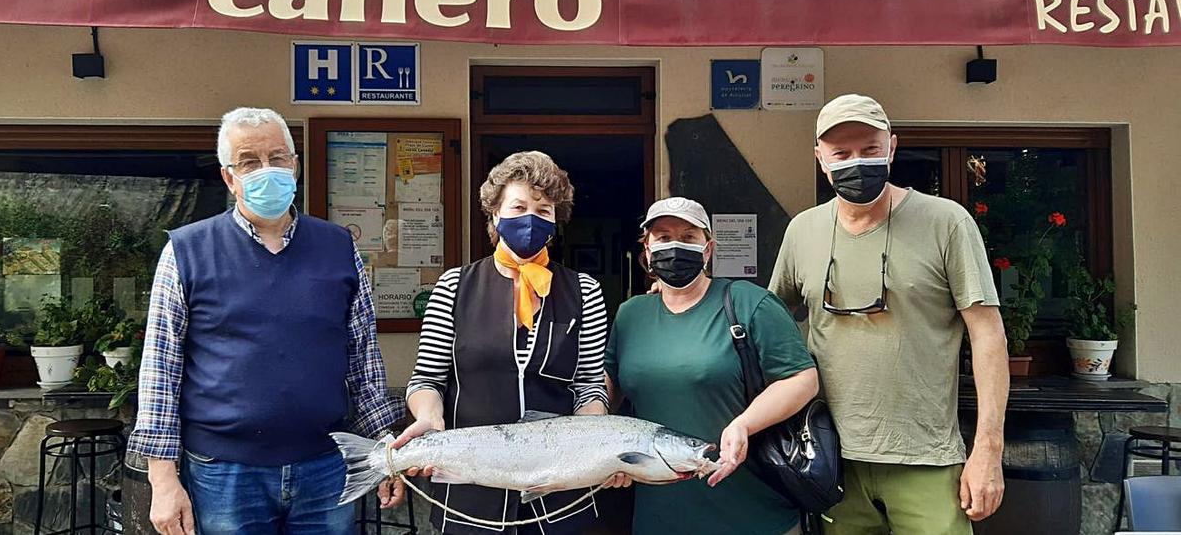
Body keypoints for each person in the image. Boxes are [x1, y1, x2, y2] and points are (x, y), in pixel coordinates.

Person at [127, 107, 401, 535]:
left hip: (325, 467)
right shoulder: (186, 252)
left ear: (295, 166)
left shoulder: (338, 247)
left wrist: (385, 454)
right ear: (229, 177)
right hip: (224, 474)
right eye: (250, 161)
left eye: (277, 157)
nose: (266, 170)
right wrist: (162, 478)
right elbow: (160, 370)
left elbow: (363, 358)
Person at [769, 94, 1009, 534]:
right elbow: (770, 322)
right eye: (841, 153)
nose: (855, 162)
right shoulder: (802, 230)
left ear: (892, 148)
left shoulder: (946, 222)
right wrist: (684, 293)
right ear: (821, 158)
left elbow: (988, 335)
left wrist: (988, 449)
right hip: (829, 458)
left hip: (927, 457)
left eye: (870, 150)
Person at [381, 151, 622, 534]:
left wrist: (597, 446)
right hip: (469, 487)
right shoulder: (454, 286)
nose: (531, 218)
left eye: (544, 210)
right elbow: (427, 378)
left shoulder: (584, 291)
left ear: (556, 221)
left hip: (560, 489)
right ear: (494, 213)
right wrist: (429, 418)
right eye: (519, 206)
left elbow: (589, 386)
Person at [605, 197, 820, 535]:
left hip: (752, 514)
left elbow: (802, 379)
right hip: (660, 517)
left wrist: (744, 424)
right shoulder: (631, 314)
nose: (675, 245)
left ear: (707, 250)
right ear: (646, 250)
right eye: (662, 237)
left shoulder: (749, 303)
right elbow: (610, 388)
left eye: (689, 236)